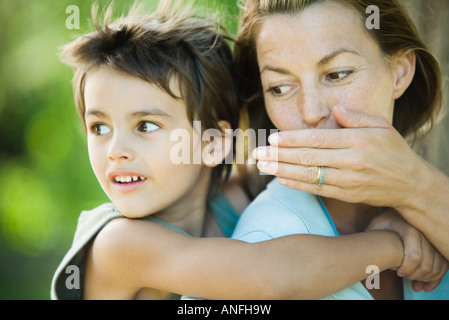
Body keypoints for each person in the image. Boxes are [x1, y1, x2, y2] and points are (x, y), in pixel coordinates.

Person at [51, 0, 445, 300]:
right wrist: (390, 245)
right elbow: (269, 275)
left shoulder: (232, 197)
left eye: (146, 126)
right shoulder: (119, 243)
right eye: (99, 127)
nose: (116, 150)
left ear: (213, 144)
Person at [233, 0, 449, 299]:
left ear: (399, 72)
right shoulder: (265, 237)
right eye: (279, 88)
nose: (310, 112)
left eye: (337, 74)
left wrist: (416, 191)